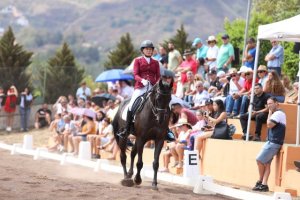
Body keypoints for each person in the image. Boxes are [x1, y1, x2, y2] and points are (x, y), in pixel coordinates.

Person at [118, 40, 160, 138]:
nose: (149, 51)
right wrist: (142, 80)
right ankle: (127, 129)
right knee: (131, 105)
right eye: (147, 49)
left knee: (162, 103)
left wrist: (156, 82)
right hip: (140, 87)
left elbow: (158, 75)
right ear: (143, 50)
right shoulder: (138, 60)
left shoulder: (156, 62)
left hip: (152, 87)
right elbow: (135, 74)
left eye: (151, 49)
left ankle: (166, 130)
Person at [253, 97, 286, 192]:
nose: (269, 105)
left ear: (276, 103)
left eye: (271, 103)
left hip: (274, 142)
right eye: (268, 104)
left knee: (259, 160)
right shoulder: (277, 113)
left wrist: (270, 114)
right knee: (266, 164)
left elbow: (269, 125)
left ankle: (260, 181)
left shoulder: (278, 113)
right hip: (272, 141)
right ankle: (264, 184)